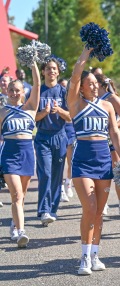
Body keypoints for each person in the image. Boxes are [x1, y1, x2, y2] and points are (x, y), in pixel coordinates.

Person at [67, 47, 120, 275]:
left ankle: (94, 254)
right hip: (82, 161)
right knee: (89, 208)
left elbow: (115, 134)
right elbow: (74, 74)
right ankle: (83, 256)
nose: (93, 86)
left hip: (103, 160)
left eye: (95, 83)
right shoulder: (75, 104)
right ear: (81, 86)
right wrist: (85, 52)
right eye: (88, 83)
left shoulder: (108, 106)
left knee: (100, 212)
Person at [0, 60, 40, 247]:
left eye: (18, 90)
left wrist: (33, 65)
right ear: (6, 92)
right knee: (16, 194)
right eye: (11, 90)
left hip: (26, 155)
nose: (15, 93)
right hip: (9, 155)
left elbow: (38, 85)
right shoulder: (1, 112)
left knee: (21, 196)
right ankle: (21, 232)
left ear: (24, 92)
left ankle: (14, 224)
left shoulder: (31, 109)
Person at [35, 58, 70, 226]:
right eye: (48, 68)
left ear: (58, 71)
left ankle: (53, 209)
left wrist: (59, 110)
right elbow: (32, 117)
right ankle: (44, 210)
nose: (52, 71)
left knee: (57, 175)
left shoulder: (64, 92)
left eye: (54, 68)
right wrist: (44, 113)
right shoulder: (37, 91)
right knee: (46, 173)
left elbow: (71, 116)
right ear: (43, 71)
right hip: (42, 137)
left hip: (60, 136)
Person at [95, 73, 120, 217]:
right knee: (101, 173)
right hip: (97, 140)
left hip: (112, 139)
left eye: (93, 82)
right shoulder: (90, 99)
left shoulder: (112, 98)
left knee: (118, 171)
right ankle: (103, 204)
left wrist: (112, 128)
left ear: (101, 84)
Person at [57, 78, 75, 202]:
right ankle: (60, 190)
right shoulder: (57, 98)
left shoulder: (74, 98)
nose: (64, 89)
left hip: (72, 130)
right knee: (60, 162)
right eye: (62, 86)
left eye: (66, 86)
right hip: (60, 129)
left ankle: (68, 183)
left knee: (72, 161)